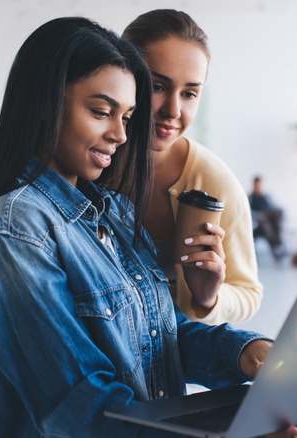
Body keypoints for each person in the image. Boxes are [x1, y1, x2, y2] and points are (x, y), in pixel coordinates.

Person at [0, 16, 297, 437]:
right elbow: (78, 407)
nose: (120, 135)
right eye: (100, 112)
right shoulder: (16, 233)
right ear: (44, 103)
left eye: (127, 117)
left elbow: (159, 334)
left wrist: (248, 352)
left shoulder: (113, 212)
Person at [121, 9, 263, 325]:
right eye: (157, 86)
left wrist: (209, 297)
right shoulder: (89, 163)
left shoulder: (217, 183)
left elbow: (248, 293)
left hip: (179, 357)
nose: (174, 110)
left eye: (189, 93)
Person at [249, 175, 286, 260]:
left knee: (276, 217)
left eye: (260, 185)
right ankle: (277, 245)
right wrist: (259, 215)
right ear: (253, 185)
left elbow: (273, 207)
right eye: (256, 185)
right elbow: (248, 212)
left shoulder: (267, 197)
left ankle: (277, 244)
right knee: (266, 226)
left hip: (271, 220)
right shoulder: (251, 198)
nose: (258, 187)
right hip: (259, 223)